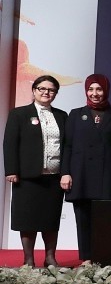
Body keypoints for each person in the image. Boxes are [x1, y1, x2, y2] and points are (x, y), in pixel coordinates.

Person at [3, 75, 67, 266]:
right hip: (27, 176)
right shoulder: (19, 114)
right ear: (34, 90)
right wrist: (11, 170)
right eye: (42, 89)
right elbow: (10, 143)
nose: (46, 93)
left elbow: (68, 145)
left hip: (54, 177)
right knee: (27, 219)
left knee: (51, 219)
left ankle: (50, 257)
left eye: (51, 90)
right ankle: (28, 259)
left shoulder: (62, 116)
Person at [59, 73, 111, 263]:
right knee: (82, 219)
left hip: (106, 176)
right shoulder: (75, 114)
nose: (95, 93)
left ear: (106, 90)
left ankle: (104, 257)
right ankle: (86, 259)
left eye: (99, 89)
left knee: (105, 220)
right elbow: (67, 146)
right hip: (80, 175)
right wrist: (65, 172)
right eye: (91, 89)